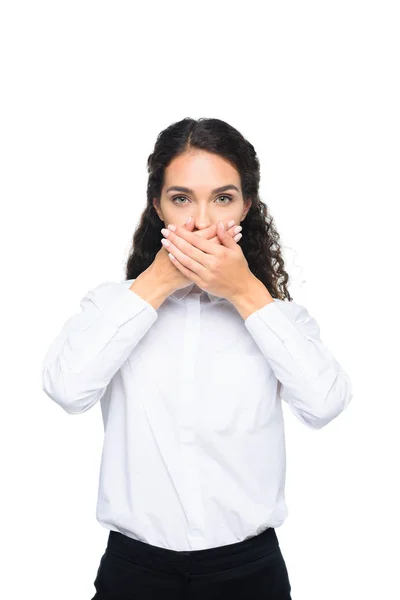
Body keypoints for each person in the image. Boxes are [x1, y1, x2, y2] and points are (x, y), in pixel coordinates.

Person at [41, 117, 353, 599]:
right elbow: (67, 389)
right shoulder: (113, 304)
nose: (202, 222)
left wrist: (247, 293)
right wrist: (159, 282)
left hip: (249, 573)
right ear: (157, 206)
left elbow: (325, 403)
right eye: (181, 198)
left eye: (223, 198)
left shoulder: (278, 318)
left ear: (246, 206)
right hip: (135, 570)